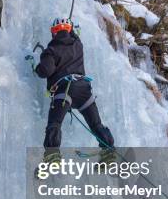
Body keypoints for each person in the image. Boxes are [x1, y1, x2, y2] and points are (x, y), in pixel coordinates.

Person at [34, 18, 114, 163]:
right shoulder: (78, 45)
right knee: (96, 125)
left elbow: (46, 70)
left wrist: (37, 67)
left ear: (53, 32)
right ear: (69, 30)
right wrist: (73, 31)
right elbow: (76, 36)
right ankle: (109, 153)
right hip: (84, 92)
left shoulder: (50, 51)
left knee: (55, 124)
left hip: (65, 91)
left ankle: (52, 158)